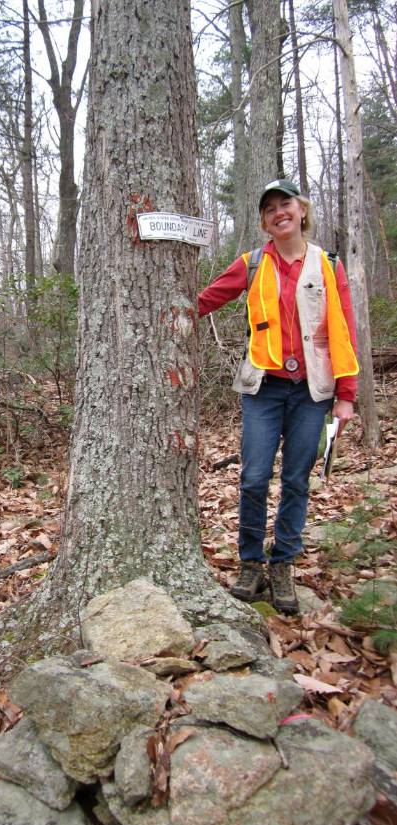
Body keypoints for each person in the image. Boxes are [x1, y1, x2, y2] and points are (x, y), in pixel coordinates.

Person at [198, 179, 359, 615]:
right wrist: (167, 311)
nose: (278, 212)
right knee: (253, 478)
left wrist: (346, 395)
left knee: (295, 479)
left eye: (284, 204)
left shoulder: (328, 264)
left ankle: (283, 562)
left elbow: (343, 329)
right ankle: (251, 563)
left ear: (301, 211)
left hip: (313, 392)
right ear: (264, 222)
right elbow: (207, 298)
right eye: (269, 208)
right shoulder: (252, 264)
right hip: (263, 389)